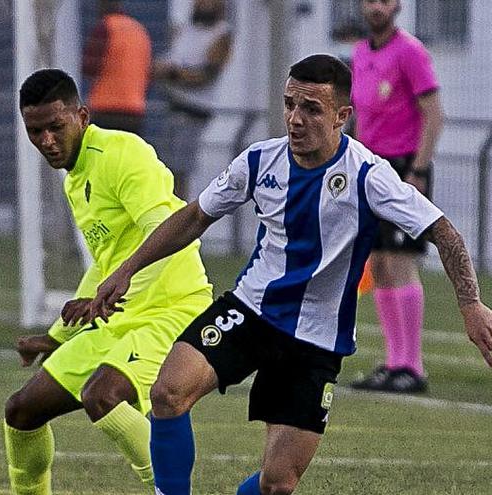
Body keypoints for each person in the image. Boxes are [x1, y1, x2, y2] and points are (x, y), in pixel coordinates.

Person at [85, 54, 492, 495]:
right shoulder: (259, 161)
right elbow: (193, 217)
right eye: (289, 105)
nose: (295, 119)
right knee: (167, 394)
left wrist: (470, 306)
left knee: (277, 485)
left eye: (311, 109)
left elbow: (445, 233)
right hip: (251, 311)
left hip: (317, 339)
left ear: (341, 116)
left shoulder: (369, 176)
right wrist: (127, 269)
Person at [4, 68, 214, 494]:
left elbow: (166, 225)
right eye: (35, 131)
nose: (46, 141)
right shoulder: (76, 177)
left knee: (103, 395)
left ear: (81, 116)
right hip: (121, 313)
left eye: (55, 127)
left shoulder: (123, 153)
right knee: (22, 411)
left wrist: (121, 278)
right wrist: (57, 336)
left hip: (172, 309)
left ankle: (169, 490)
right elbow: (108, 260)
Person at [350, 0, 445, 393]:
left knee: (402, 260)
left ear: (398, 6)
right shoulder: (359, 52)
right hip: (371, 167)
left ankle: (413, 365)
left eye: (384, 0)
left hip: (404, 166)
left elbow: (434, 113)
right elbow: (357, 114)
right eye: (370, 0)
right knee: (381, 264)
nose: (377, 7)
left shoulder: (410, 51)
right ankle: (393, 362)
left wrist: (418, 170)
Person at [154, 0, 232, 199]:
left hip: (193, 111)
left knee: (181, 170)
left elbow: (206, 75)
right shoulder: (185, 30)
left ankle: (180, 217)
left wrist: (174, 74)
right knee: (164, 168)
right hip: (171, 105)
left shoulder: (221, 34)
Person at [81, 0, 152, 135]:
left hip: (105, 108)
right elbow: (148, 72)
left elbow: (89, 67)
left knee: (102, 154)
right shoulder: (140, 31)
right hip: (135, 110)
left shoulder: (105, 27)